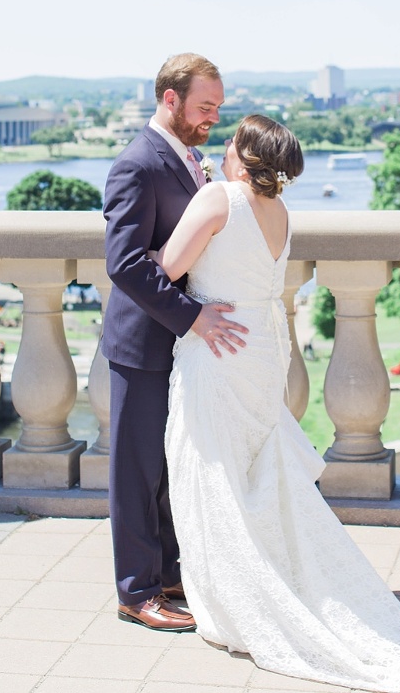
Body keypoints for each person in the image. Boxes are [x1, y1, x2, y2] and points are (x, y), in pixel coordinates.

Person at [155, 114, 400, 692]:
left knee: (212, 471)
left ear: (244, 154)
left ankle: (237, 602)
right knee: (253, 471)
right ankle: (260, 584)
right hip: (262, 352)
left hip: (217, 348)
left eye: (231, 139)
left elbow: (168, 267)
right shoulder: (280, 213)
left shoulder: (217, 198)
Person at [102, 52, 248, 633]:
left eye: (217, 106)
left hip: (177, 349)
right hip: (141, 345)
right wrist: (193, 317)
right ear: (170, 99)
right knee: (136, 475)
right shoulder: (135, 164)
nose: (213, 117)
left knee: (169, 468)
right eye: (204, 106)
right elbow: (126, 264)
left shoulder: (192, 160)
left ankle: (167, 577)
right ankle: (136, 594)